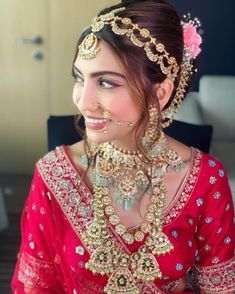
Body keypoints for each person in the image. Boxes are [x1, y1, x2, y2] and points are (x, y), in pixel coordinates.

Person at [12, 0, 235, 293]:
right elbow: (36, 285)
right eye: (80, 78)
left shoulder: (206, 180)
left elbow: (219, 289)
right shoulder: (54, 175)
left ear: (160, 92)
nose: (82, 100)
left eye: (106, 83)